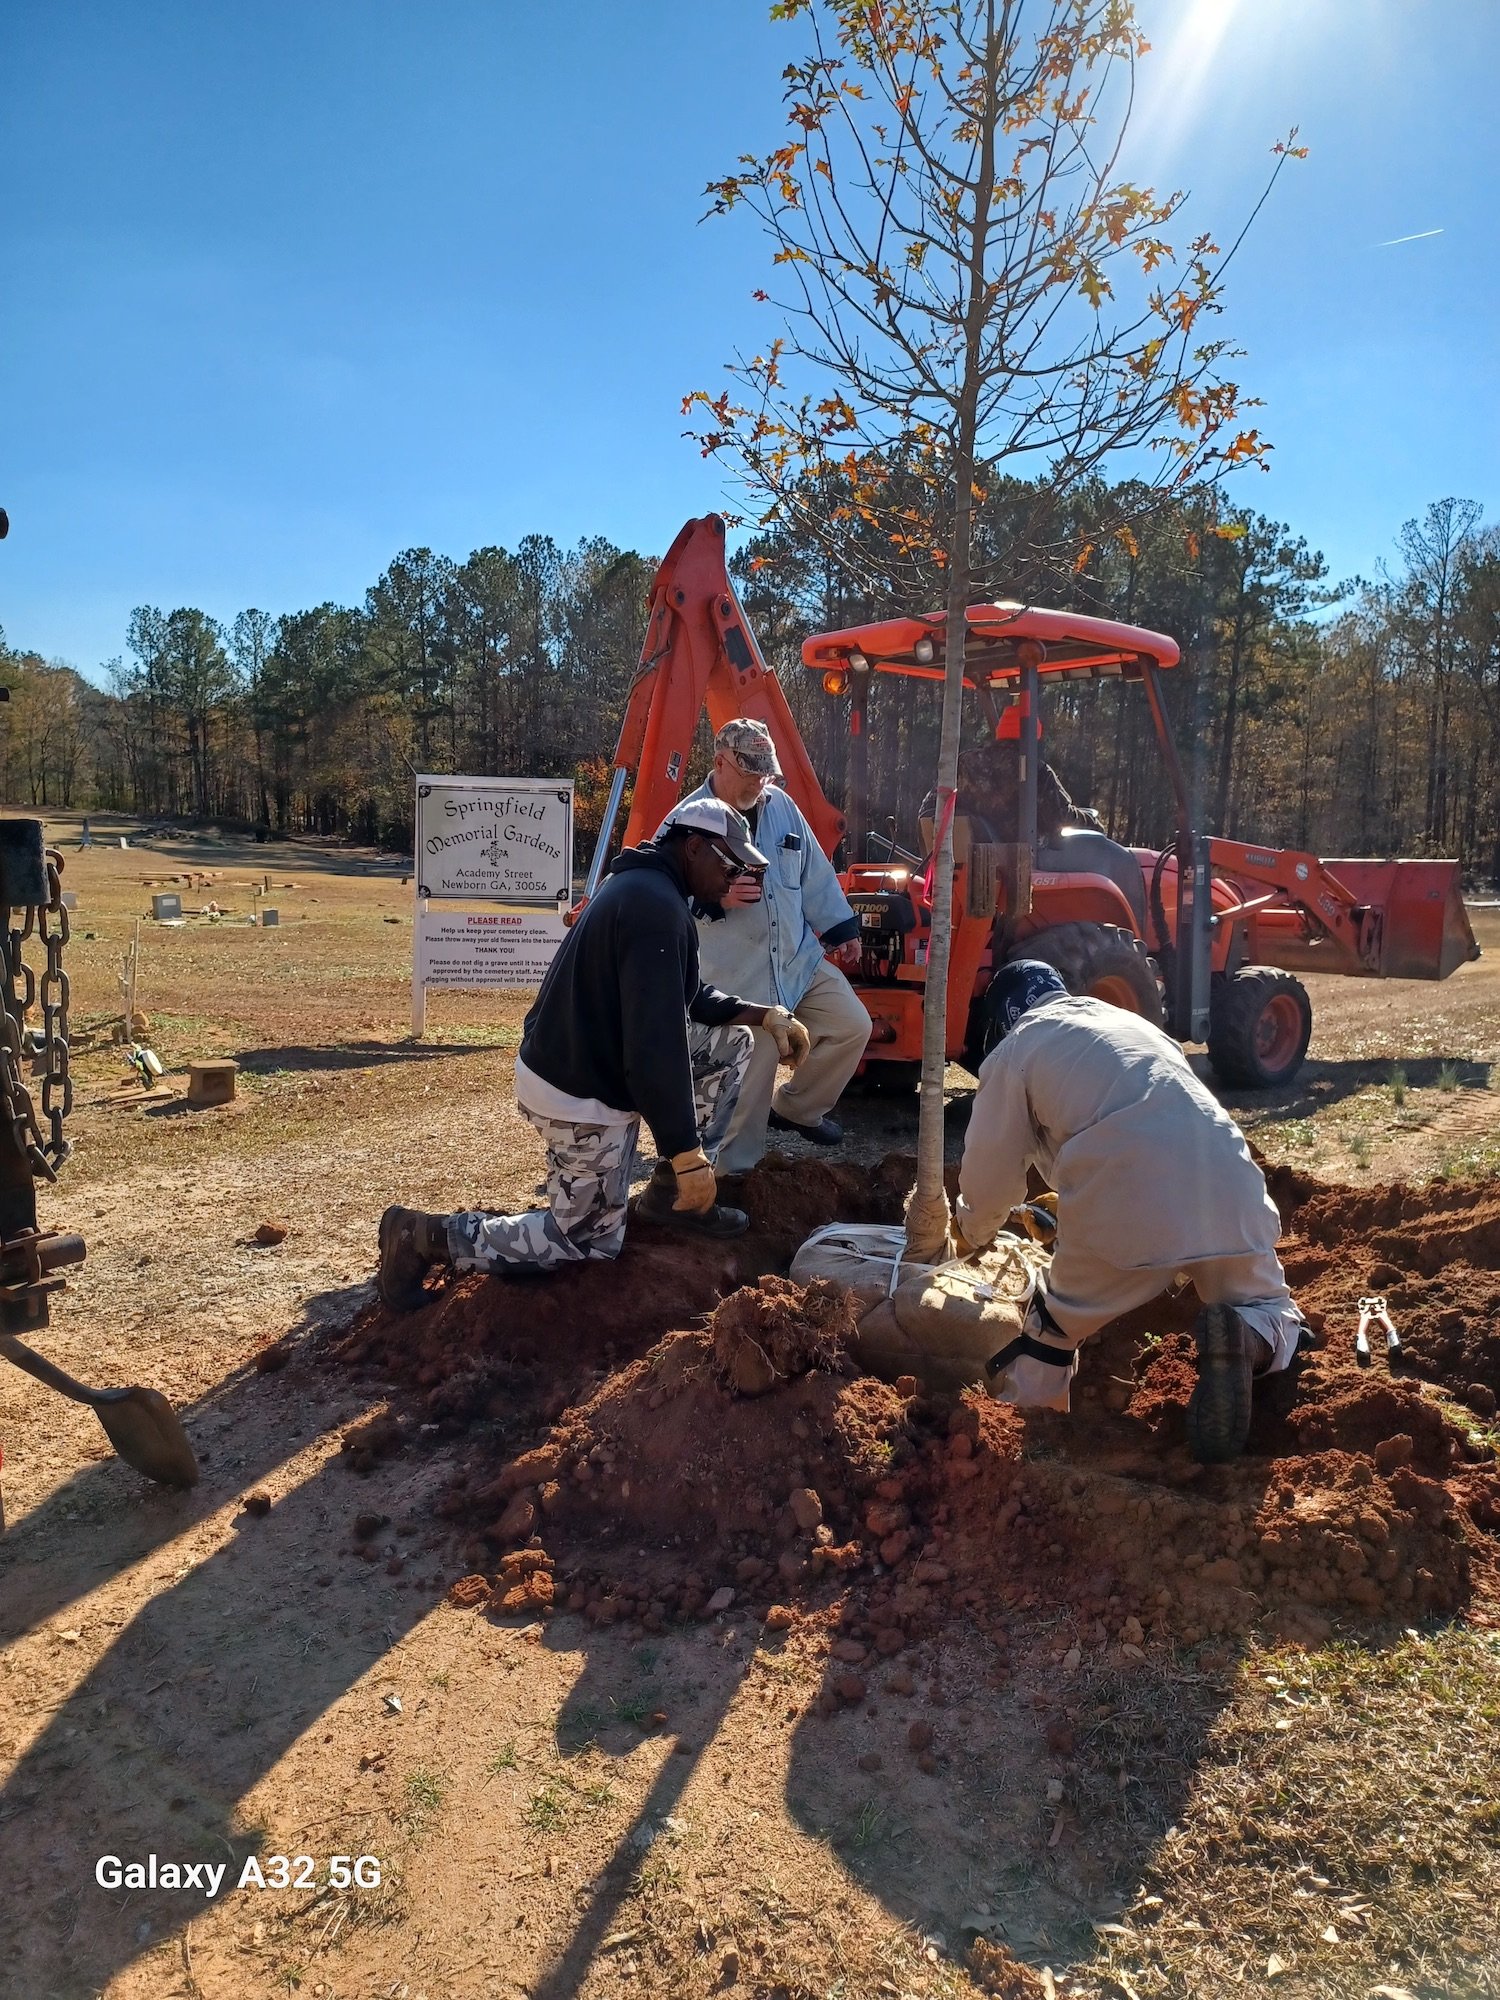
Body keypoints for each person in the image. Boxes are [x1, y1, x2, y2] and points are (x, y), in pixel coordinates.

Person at [377, 798, 811, 1310]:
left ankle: (671, 1198)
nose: (735, 878)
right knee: (584, 1241)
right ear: (693, 847)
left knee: (730, 1045)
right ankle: (421, 1237)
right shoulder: (653, 908)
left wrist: (763, 1015)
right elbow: (654, 1051)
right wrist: (684, 1151)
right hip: (577, 1087)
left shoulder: (650, 889)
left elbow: (687, 997)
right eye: (730, 864)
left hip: (592, 1058)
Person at [953, 961, 1308, 1463]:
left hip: (1126, 1198)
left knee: (1051, 1331)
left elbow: (990, 1178)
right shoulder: (1130, 1025)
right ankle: (1249, 1338)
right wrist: (1070, 1198)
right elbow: (1141, 1110)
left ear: (1001, 1018)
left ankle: (1030, 1447)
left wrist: (969, 1229)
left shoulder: (1016, 1050)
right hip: (1229, 1181)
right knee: (1268, 1305)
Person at [666, 718, 871, 1172]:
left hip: (797, 960)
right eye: (750, 772)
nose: (760, 783)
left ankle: (797, 1109)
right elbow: (660, 891)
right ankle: (736, 1172)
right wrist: (712, 896)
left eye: (766, 773)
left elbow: (813, 869)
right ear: (720, 762)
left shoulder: (782, 806)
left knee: (852, 1025)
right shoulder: (687, 819)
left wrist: (842, 928)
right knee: (753, 1062)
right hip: (736, 975)